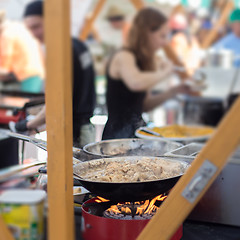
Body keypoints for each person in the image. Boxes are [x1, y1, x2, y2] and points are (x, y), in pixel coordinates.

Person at [11, 0, 96, 148]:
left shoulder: (60, 52)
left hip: (71, 132)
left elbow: (56, 102)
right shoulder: (78, 45)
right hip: (85, 128)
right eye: (29, 29)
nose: (33, 34)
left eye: (36, 26)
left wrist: (28, 124)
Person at [102, 8, 191, 140]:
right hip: (117, 137)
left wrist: (173, 92)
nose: (165, 42)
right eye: (162, 36)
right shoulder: (124, 56)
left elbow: (144, 105)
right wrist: (165, 72)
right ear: (146, 33)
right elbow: (135, 83)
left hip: (137, 134)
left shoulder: (144, 61)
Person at [0, 10, 44, 92]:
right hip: (36, 70)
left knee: (26, 101)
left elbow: (4, 67)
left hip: (27, 74)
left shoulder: (6, 35)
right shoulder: (17, 27)